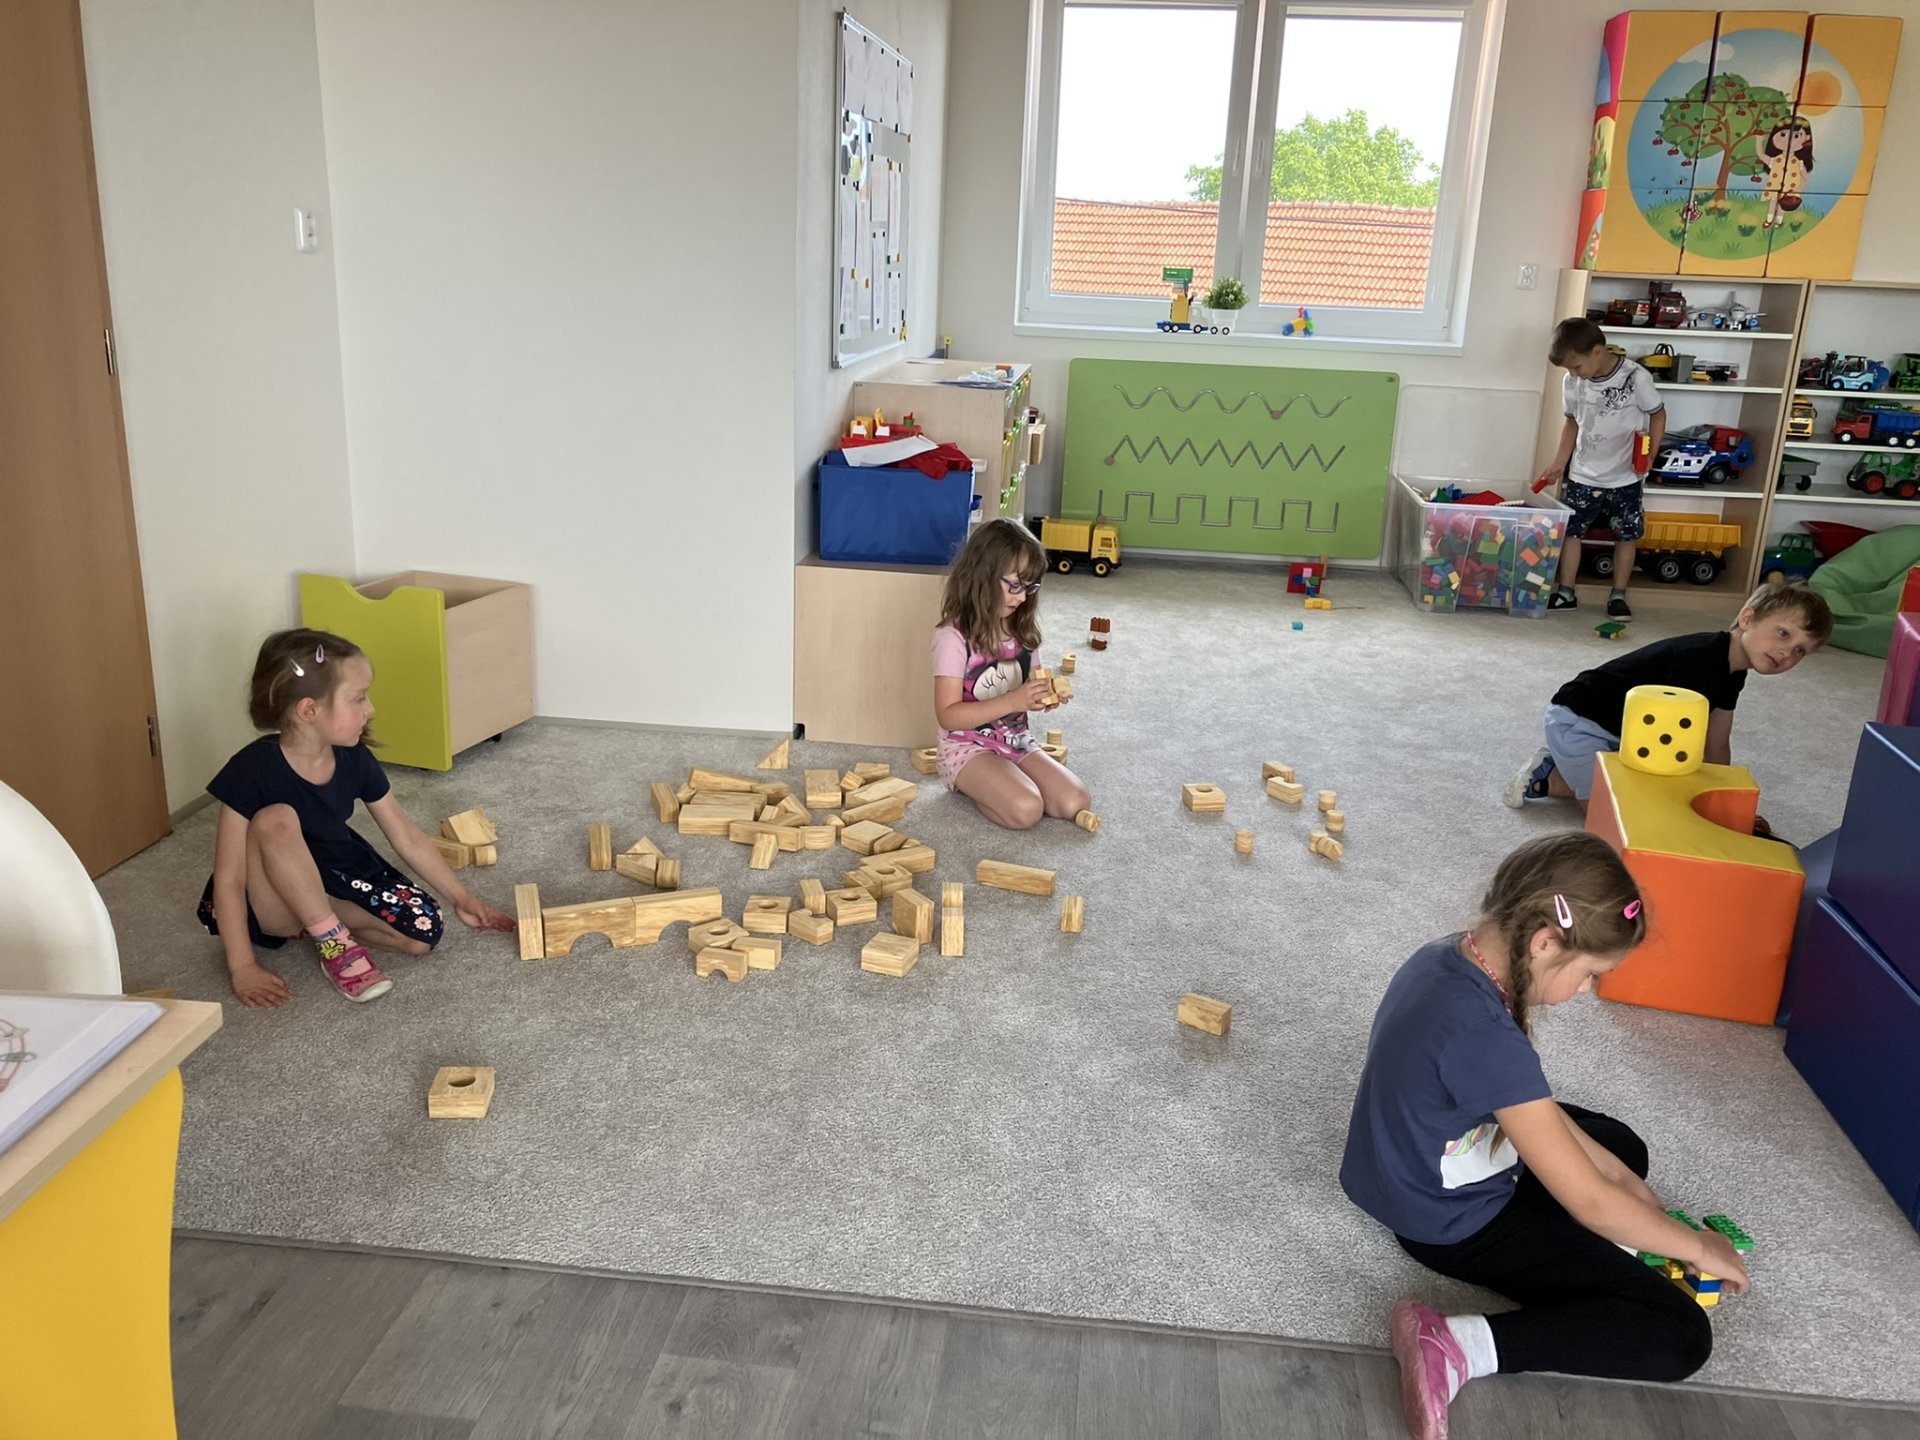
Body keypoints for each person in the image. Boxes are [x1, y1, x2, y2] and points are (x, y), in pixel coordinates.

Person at [1341, 833, 1750, 1440]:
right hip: (1448, 1222)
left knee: (1622, 1148)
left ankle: (1606, 1221)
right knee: (1679, 1334)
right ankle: (1457, 1344)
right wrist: (1693, 1245)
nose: (1586, 991)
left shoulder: (1448, 957)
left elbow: (1547, 1124)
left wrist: (1624, 1184)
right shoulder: (1485, 1038)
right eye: (1589, 975)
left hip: (1411, 1164)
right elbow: (1590, 1204)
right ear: (1544, 943)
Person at [196, 628, 514, 1007]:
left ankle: (319, 923)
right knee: (276, 819)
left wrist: (462, 897)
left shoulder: (354, 756)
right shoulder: (249, 771)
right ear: (309, 710)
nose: (370, 709)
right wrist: (243, 966)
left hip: (333, 871)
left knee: (422, 934)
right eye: (359, 698)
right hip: (270, 902)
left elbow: (406, 835)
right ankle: (334, 944)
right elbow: (230, 878)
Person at [1505, 580, 1832, 813]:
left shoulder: (1734, 672)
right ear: (1748, 618)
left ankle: (1556, 772)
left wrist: (1721, 801)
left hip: (1623, 734)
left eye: (1799, 650)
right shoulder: (1699, 659)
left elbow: (1716, 744)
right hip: (1580, 720)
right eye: (1783, 634)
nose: (1786, 652)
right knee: (1614, 816)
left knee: (1652, 795)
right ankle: (1554, 771)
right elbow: (1668, 745)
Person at [931, 518, 1090, 828]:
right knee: (1027, 809)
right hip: (965, 747)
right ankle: (976, 786)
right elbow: (948, 716)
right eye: (1014, 586)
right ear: (982, 577)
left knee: (1075, 800)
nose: (1022, 597)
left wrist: (1044, 697)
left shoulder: (1023, 634)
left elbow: (1030, 689)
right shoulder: (953, 638)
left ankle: (1003, 780)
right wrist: (1014, 701)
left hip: (1015, 742)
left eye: (1029, 587)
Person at [1535, 317, 1665, 619]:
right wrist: (1560, 462)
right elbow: (1572, 422)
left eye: (1576, 366)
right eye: (1568, 369)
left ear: (1597, 351)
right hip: (1583, 474)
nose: (1573, 374)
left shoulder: (1636, 377)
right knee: (1572, 532)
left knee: (1626, 536)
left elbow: (1658, 415)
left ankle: (1618, 595)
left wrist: (1651, 455)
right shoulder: (1572, 382)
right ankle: (1566, 592)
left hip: (1626, 477)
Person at [1761, 115, 1813, 230]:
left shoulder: (1799, 163)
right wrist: (1758, 141)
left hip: (1789, 190)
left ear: (1807, 138)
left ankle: (1778, 222)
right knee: (1772, 202)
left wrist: (1798, 189)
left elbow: (1806, 179)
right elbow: (1761, 155)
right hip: (1775, 187)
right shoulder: (1775, 160)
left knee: (1782, 207)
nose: (1789, 141)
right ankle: (1769, 220)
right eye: (1783, 134)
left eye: (1796, 136)